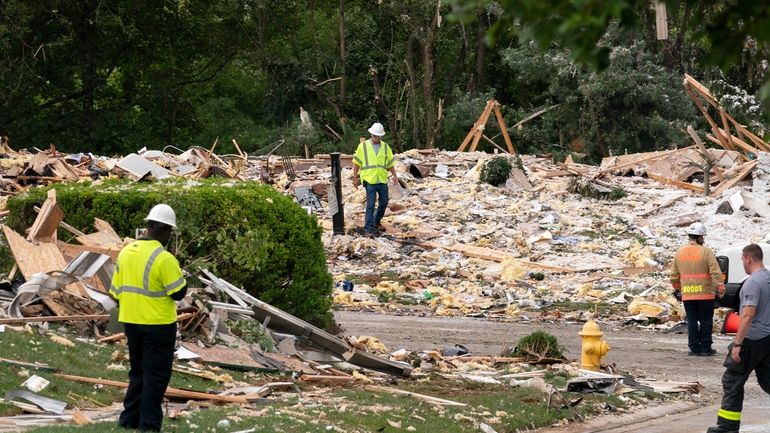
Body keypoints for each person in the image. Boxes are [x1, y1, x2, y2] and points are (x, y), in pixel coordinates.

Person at [110, 204, 187, 432]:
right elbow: (179, 292)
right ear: (165, 230)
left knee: (138, 372)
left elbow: (115, 293)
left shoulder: (126, 252)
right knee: (155, 376)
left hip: (131, 322)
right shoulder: (164, 258)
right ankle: (149, 425)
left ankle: (128, 420)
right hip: (158, 325)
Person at [707, 244, 770, 433]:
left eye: (743, 260)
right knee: (768, 381)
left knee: (732, 379)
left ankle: (727, 426)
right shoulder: (768, 278)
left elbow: (747, 315)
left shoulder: (752, 283)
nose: (743, 263)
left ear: (748, 259)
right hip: (767, 338)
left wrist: (738, 344)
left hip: (751, 340)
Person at [670, 222, 725, 356]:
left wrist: (678, 288)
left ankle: (694, 348)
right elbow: (715, 272)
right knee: (706, 320)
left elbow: (674, 276)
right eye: (703, 237)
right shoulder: (706, 252)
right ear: (700, 237)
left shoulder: (679, 252)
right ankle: (705, 348)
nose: (703, 239)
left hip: (688, 294)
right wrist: (721, 286)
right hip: (705, 293)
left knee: (692, 320)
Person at [352, 122, 398, 237]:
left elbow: (390, 163)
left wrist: (394, 175)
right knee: (371, 204)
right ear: (371, 134)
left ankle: (376, 221)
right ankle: (368, 229)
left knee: (384, 203)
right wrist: (355, 177)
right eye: (375, 136)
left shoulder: (385, 147)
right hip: (369, 180)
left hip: (382, 180)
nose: (377, 138)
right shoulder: (363, 146)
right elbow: (356, 163)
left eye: (379, 136)